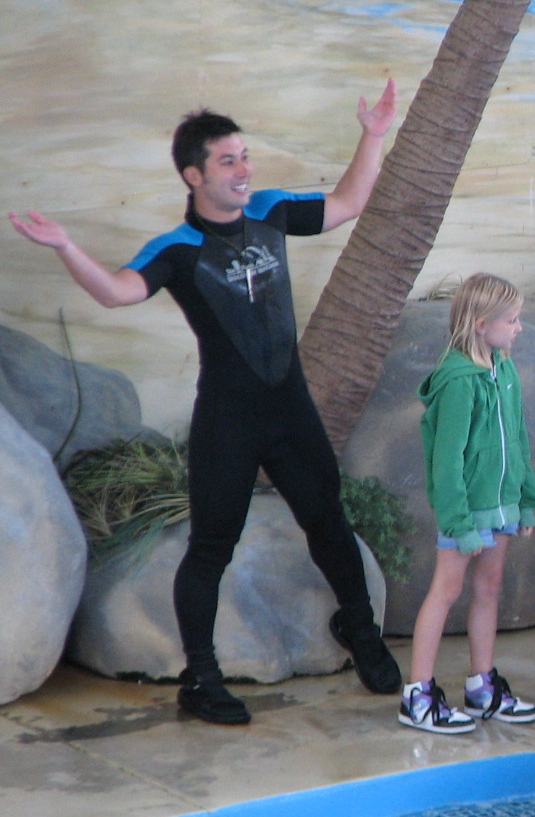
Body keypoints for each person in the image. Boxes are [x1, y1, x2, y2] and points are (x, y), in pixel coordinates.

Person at [9, 81, 404, 725]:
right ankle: (201, 676)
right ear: (194, 176)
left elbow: (349, 202)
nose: (244, 169)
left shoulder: (271, 211)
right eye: (228, 161)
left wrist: (374, 134)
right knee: (212, 545)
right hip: (229, 417)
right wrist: (66, 247)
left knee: (327, 519)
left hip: (290, 407)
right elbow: (116, 292)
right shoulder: (177, 250)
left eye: (244, 156)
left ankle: (359, 629)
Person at [404, 273, 535, 734]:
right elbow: (446, 462)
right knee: (446, 591)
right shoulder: (459, 382)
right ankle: (417, 694)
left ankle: (482, 685)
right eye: (512, 320)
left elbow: (518, 437)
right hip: (466, 510)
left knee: (490, 587)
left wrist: (525, 500)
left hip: (501, 505)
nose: (519, 328)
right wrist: (459, 523)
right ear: (482, 324)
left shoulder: (505, 369)